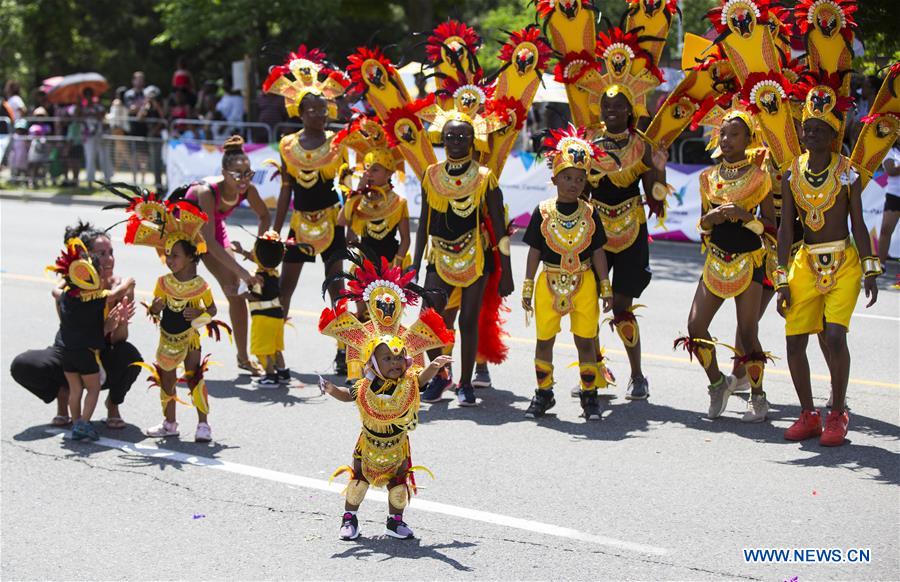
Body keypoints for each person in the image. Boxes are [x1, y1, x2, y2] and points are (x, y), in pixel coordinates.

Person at [318, 253, 453, 541]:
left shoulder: (407, 382)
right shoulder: (364, 386)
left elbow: (422, 379)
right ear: (373, 362)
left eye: (397, 358)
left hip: (398, 444)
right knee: (358, 483)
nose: (393, 363)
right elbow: (347, 395)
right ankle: (349, 517)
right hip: (367, 444)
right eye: (386, 359)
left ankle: (395, 522)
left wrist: (434, 366)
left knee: (399, 487)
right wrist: (331, 391)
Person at [778, 74, 881, 447]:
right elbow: (787, 230)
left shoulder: (846, 172)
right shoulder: (792, 173)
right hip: (805, 263)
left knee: (834, 337)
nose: (813, 134)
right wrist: (781, 277)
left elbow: (859, 223)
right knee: (794, 342)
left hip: (844, 262)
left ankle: (837, 412)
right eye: (808, 128)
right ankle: (808, 414)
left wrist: (870, 268)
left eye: (821, 128)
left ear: (834, 135)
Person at [109, 184, 231, 442]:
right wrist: (156, 307)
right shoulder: (163, 282)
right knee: (166, 381)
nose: (170, 259)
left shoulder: (201, 286)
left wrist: (198, 316)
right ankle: (170, 422)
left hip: (190, 340)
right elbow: (154, 311)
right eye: (167, 255)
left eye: (175, 255)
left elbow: (212, 310)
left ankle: (203, 424)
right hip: (166, 339)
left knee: (194, 378)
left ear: (189, 257)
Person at [674, 110, 775, 422]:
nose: (727, 139)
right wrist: (711, 219)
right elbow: (702, 228)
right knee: (695, 326)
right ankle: (718, 383)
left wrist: (745, 217)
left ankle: (758, 397)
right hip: (716, 260)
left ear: (748, 139)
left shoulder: (760, 178)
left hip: (749, 260)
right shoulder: (708, 178)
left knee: (747, 331)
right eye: (723, 134)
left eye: (734, 134)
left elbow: (770, 228)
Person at [263, 45, 352, 374]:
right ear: (300, 113)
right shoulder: (288, 145)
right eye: (313, 110)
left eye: (323, 108)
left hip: (332, 222)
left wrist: (351, 224)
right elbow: (286, 188)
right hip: (300, 224)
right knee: (286, 287)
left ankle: (344, 350)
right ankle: (274, 349)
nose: (320, 114)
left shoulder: (338, 141)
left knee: (338, 286)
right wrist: (274, 229)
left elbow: (346, 187)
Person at [521, 125, 613, 420]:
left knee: (585, 340)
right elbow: (535, 249)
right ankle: (543, 394)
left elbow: (598, 251)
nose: (573, 183)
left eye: (579, 178)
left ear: (586, 181)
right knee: (544, 340)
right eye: (567, 177)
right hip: (547, 281)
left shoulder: (590, 213)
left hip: (584, 281)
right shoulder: (543, 211)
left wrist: (605, 286)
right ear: (555, 178)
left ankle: (590, 397)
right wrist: (526, 284)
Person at [11, 221, 142, 428]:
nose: (108, 259)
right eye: (101, 254)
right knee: (23, 364)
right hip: (72, 348)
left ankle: (113, 405)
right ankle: (63, 395)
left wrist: (120, 324)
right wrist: (103, 327)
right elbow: (72, 328)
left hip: (100, 352)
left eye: (111, 252)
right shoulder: (72, 287)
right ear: (86, 259)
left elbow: (119, 340)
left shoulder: (119, 287)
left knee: (130, 356)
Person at [183, 135, 271, 375]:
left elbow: (265, 216)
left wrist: (257, 252)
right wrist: (242, 271)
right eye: (237, 174)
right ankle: (179, 357)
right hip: (184, 229)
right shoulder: (206, 193)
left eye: (248, 173)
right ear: (224, 172)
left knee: (237, 292)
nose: (244, 179)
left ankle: (243, 358)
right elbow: (208, 242)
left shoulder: (248, 190)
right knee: (183, 292)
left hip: (211, 228)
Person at [47, 238, 134, 441]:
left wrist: (68, 276)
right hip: (87, 354)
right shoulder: (96, 296)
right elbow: (116, 293)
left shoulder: (67, 296)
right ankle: (84, 424)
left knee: (75, 390)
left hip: (67, 353)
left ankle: (76, 421)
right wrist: (129, 281)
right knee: (93, 389)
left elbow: (54, 290)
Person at [233, 231, 289, 387]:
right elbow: (261, 259)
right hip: (277, 316)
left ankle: (270, 376)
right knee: (276, 348)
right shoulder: (274, 272)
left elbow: (255, 297)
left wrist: (242, 293)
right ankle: (283, 372)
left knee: (262, 350)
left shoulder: (258, 278)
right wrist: (242, 251)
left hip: (263, 318)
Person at [79, 88, 112, 185]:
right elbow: (78, 116)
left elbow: (102, 116)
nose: (88, 97)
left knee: (104, 157)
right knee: (90, 157)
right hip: (88, 136)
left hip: (100, 135)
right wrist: (79, 104)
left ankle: (108, 180)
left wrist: (93, 109)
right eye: (86, 95)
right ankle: (90, 180)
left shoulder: (98, 107)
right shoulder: (81, 108)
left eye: (90, 95)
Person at [878, 140, 899, 264]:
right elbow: (891, 170)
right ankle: (881, 263)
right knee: (886, 229)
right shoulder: (890, 151)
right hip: (894, 195)